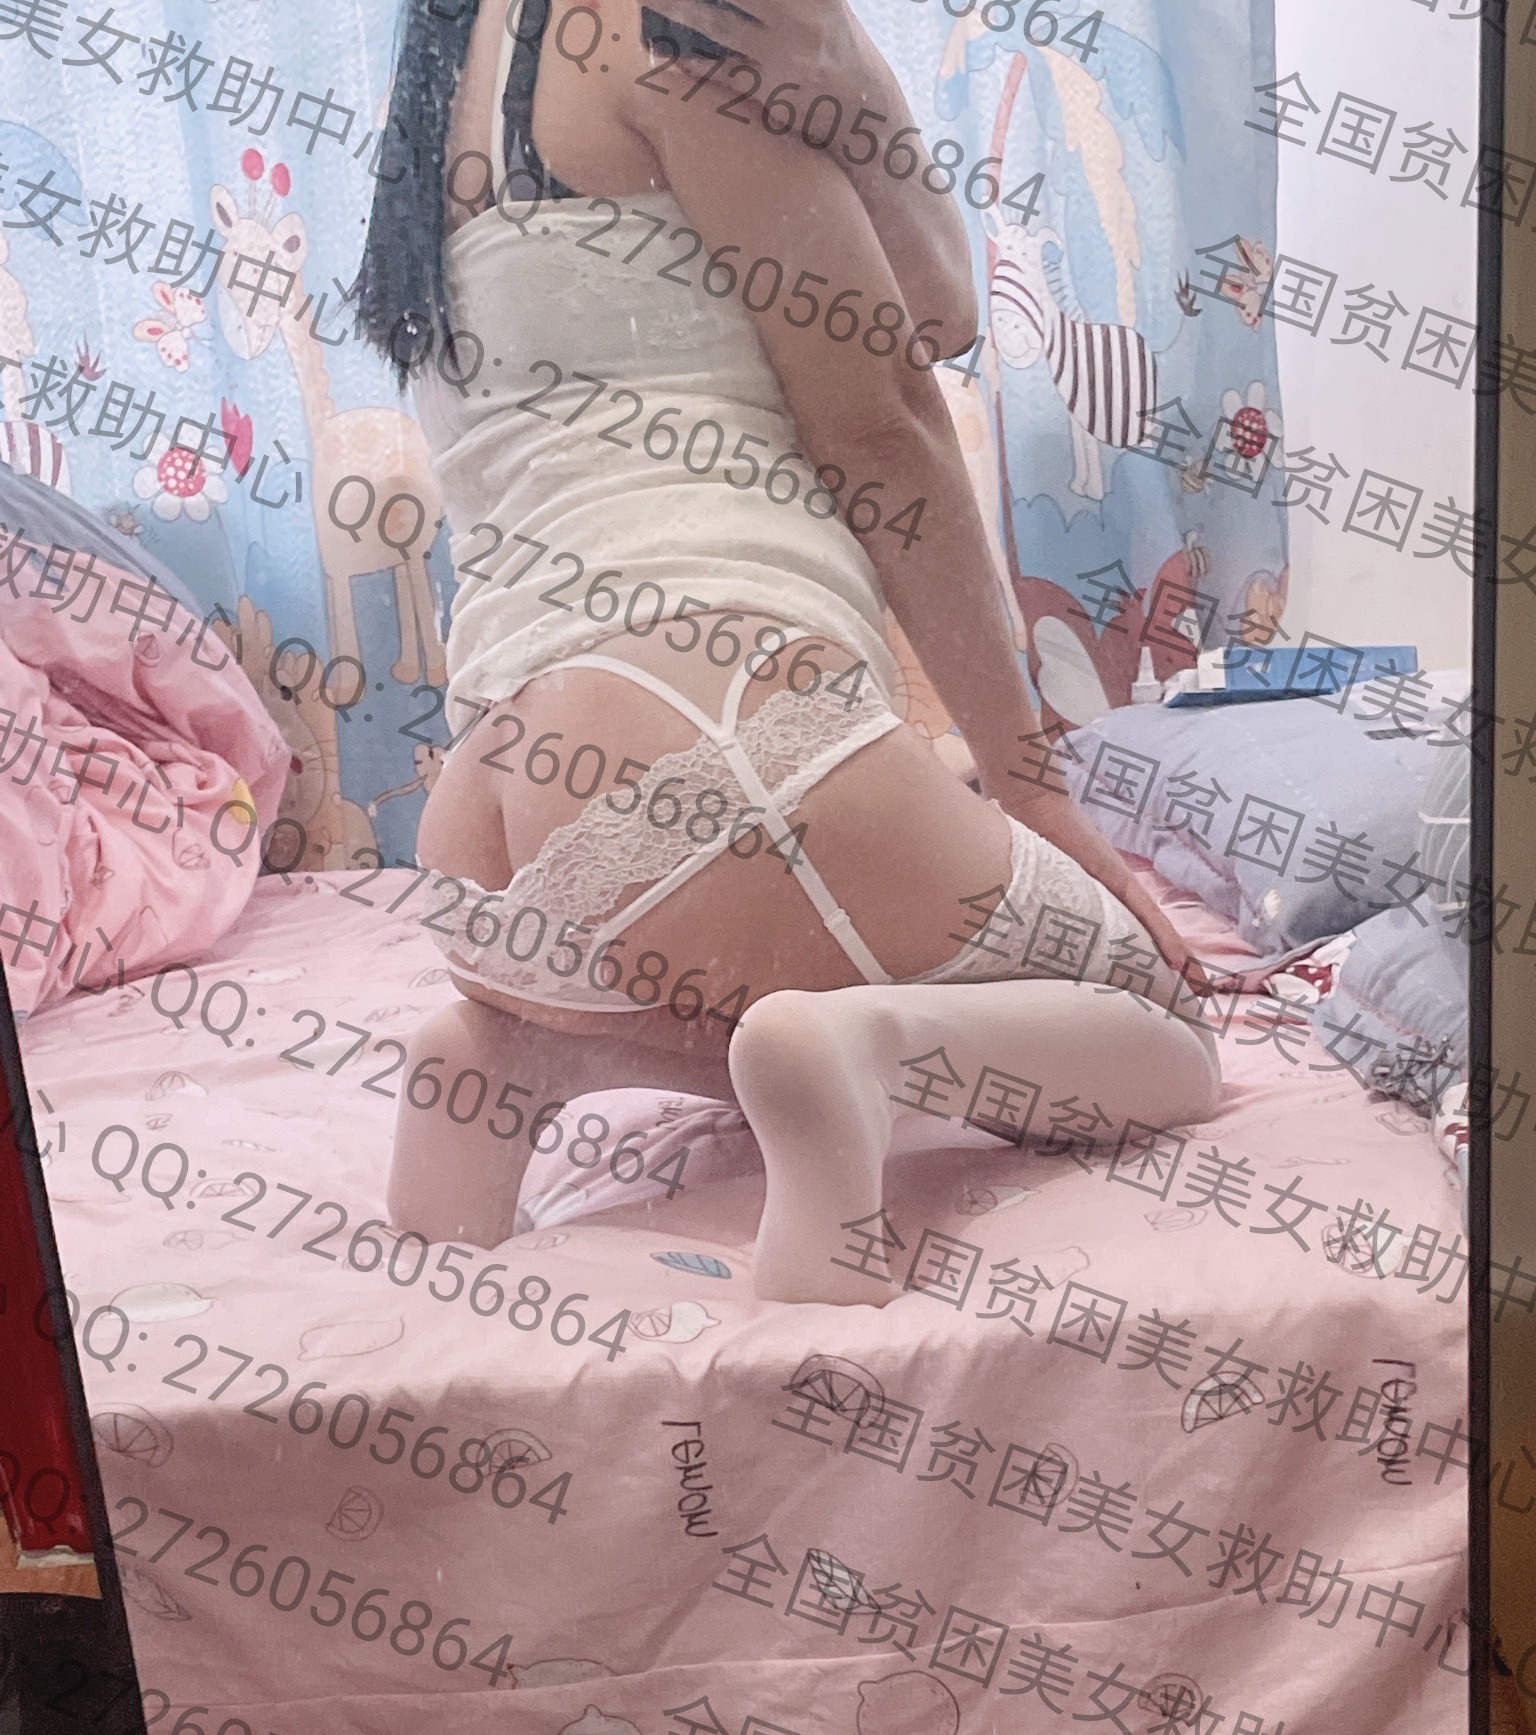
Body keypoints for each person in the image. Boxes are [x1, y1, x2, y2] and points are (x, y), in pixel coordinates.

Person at [354, 0, 1222, 1305]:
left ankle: (522, 1059)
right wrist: (1035, 790)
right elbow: (886, 423)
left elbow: (935, 309)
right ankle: (862, 1052)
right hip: (717, 736)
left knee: (744, 973)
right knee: (1168, 1035)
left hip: (486, 823)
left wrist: (853, 89)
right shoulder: (679, 26)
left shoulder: (457, 55)